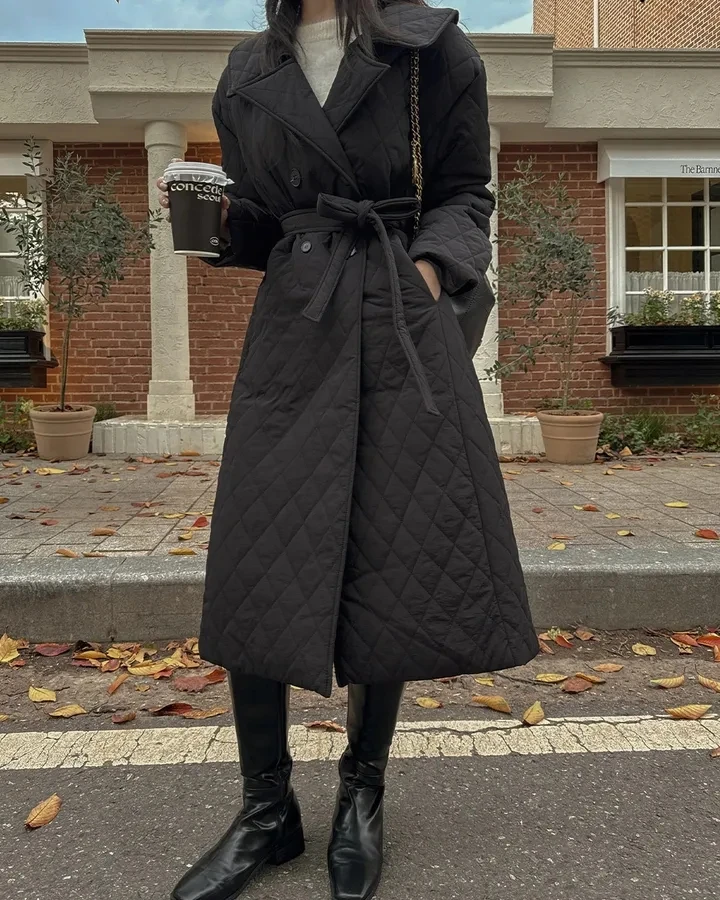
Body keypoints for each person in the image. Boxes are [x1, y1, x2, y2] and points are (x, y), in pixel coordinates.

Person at [158, 2, 538, 898]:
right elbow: (266, 218)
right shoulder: (247, 70)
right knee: (259, 556)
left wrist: (426, 273)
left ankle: (362, 794)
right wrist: (216, 227)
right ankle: (267, 811)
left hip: (397, 327)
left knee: (388, 556)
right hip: (295, 330)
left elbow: (466, 192)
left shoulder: (430, 46)